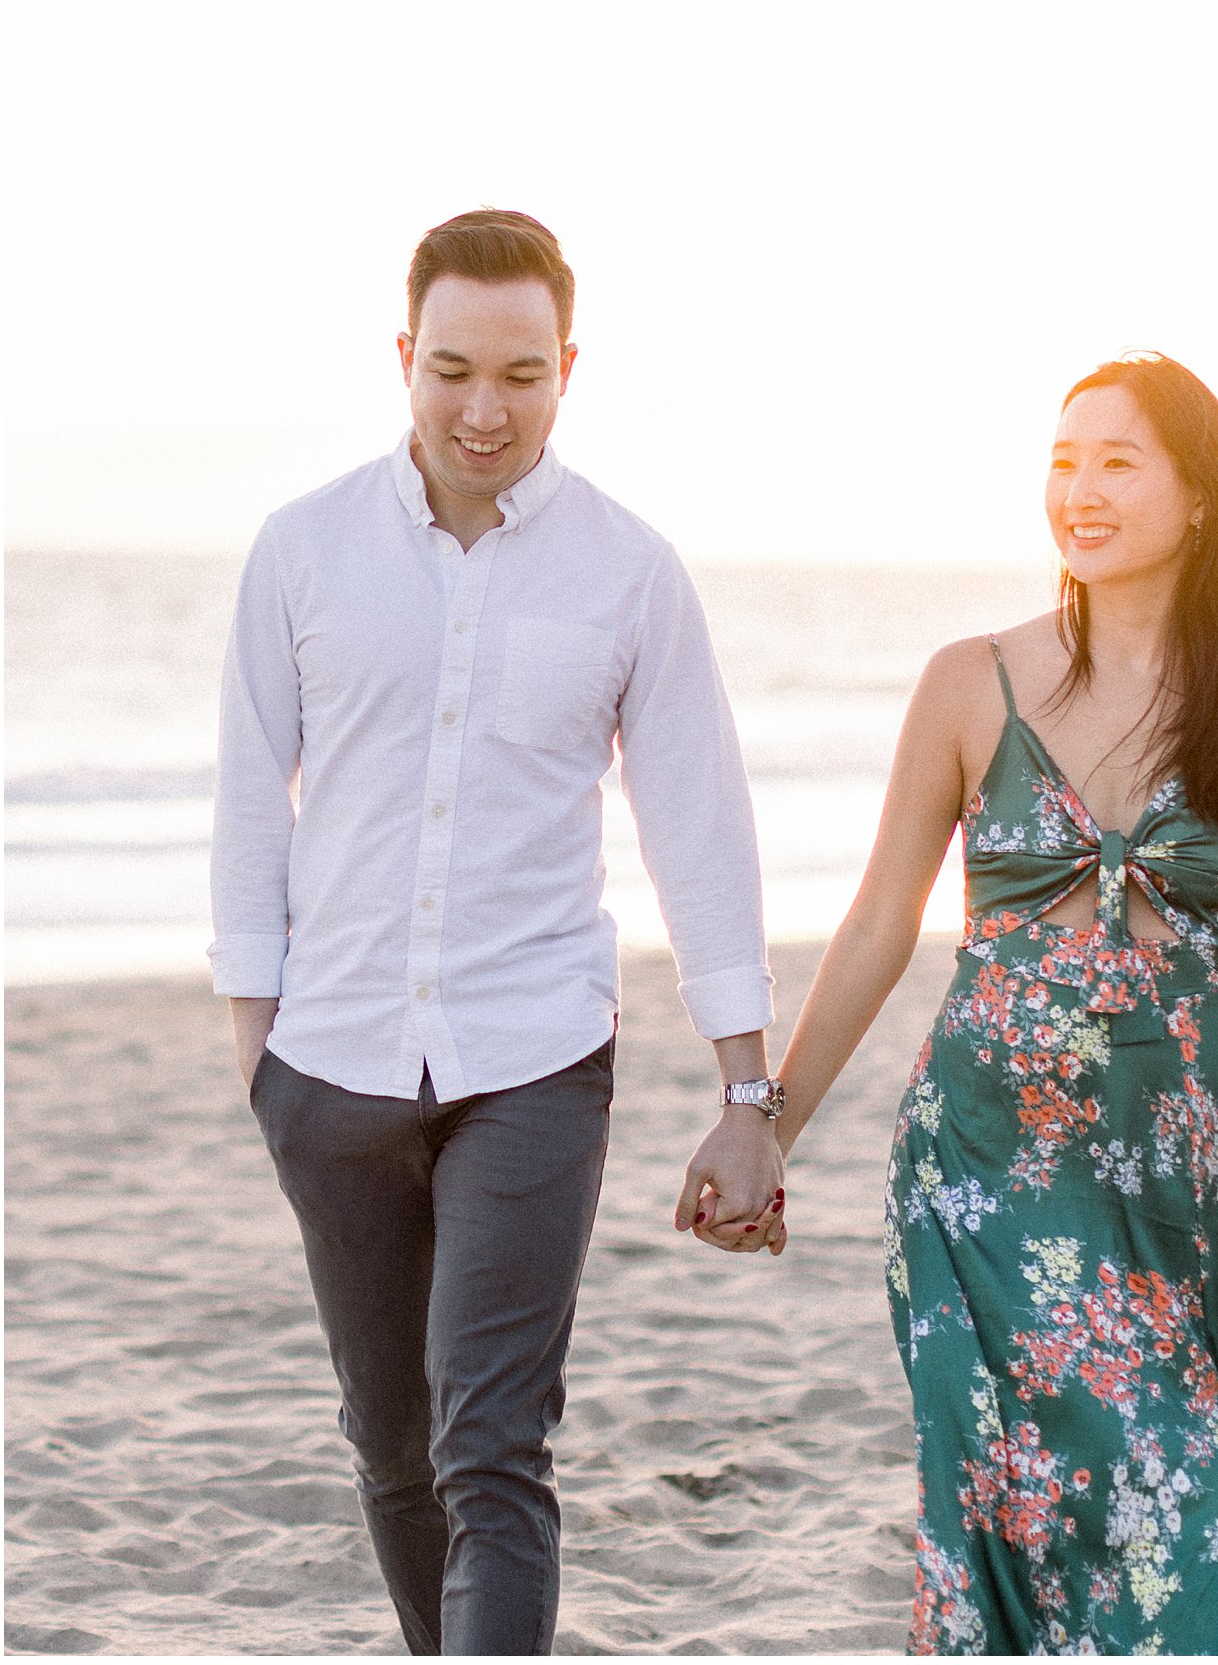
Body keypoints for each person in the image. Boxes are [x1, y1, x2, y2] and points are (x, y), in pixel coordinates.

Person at [209, 208, 788, 1657]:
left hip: (533, 1058)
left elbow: (696, 827)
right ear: (405, 358)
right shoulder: (301, 552)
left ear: (567, 369)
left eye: (520, 376)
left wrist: (744, 1087)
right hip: (328, 1063)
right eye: (452, 369)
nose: (483, 409)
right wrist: (256, 1052)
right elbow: (246, 801)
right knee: (391, 1447)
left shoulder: (629, 571)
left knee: (491, 1442)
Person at [720, 354, 1218, 1655]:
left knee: (1177, 1521)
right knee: (997, 1510)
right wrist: (770, 1121)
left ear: (1199, 496)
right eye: (1062, 460)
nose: (1080, 490)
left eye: (1117, 461)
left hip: (1176, 1184)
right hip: (978, 1172)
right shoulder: (967, 682)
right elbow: (881, 921)